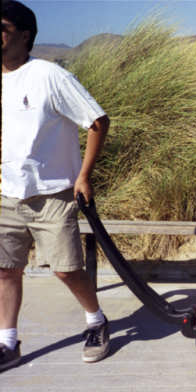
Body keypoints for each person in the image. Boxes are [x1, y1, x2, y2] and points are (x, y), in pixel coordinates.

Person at [1, 0, 111, 372]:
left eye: (1, 27)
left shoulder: (48, 75)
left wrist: (83, 176)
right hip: (5, 194)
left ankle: (96, 321)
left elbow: (97, 121)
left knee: (65, 269)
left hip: (51, 194)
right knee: (5, 270)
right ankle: (8, 342)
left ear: (25, 35)